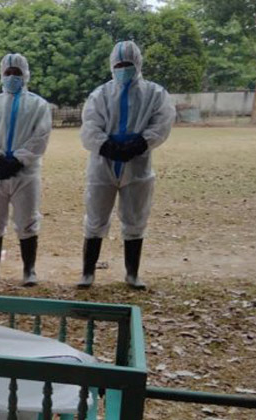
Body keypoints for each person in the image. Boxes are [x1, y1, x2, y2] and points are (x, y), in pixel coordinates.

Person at [78, 40, 175, 289]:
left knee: (135, 218)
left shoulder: (155, 94)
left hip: (137, 163)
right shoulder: (100, 95)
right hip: (102, 164)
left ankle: (132, 273)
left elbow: (162, 123)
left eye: (128, 64)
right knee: (95, 217)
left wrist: (140, 143)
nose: (123, 69)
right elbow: (90, 126)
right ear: (112, 65)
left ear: (138, 63)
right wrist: (107, 146)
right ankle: (87, 272)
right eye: (119, 65)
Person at [0, 53, 52, 287]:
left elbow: (40, 136)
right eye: (8, 72)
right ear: (1, 75)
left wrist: (18, 160)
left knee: (27, 221)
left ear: (25, 75)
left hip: (26, 174)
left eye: (17, 73)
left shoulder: (38, 105)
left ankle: (29, 269)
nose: (12, 77)